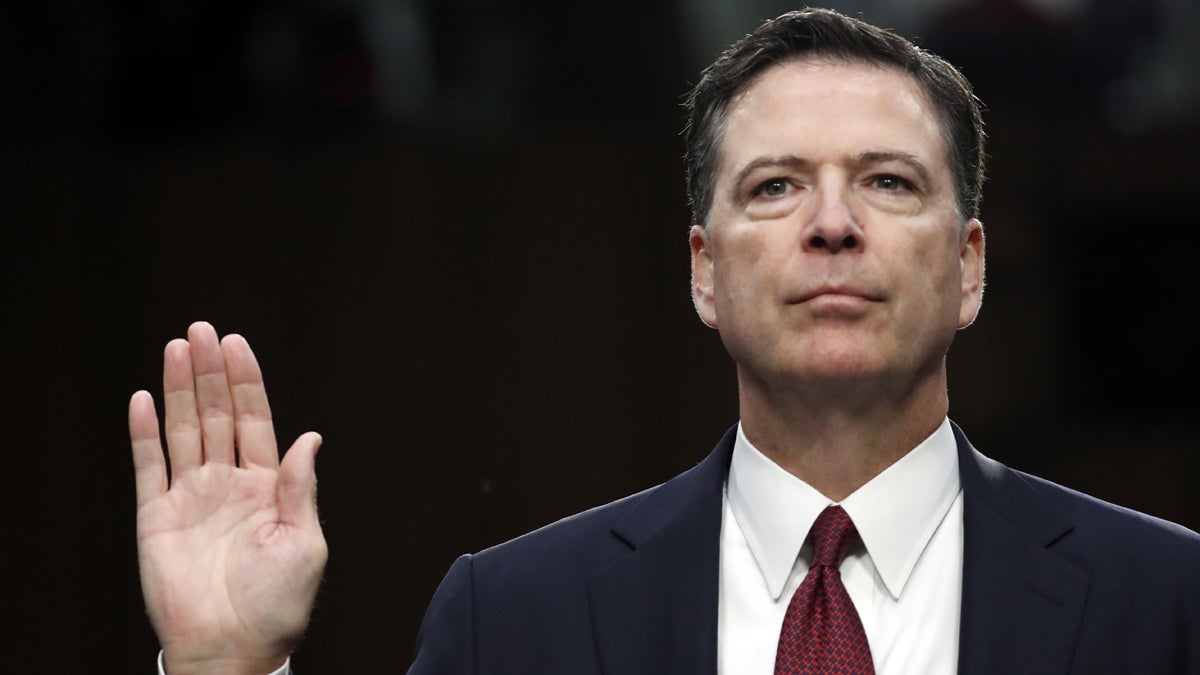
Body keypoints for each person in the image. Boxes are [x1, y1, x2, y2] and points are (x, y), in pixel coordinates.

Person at [130, 8, 1200, 675]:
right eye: (776, 187)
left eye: (887, 182)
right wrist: (225, 667)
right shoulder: (513, 621)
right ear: (704, 271)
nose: (833, 224)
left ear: (968, 264)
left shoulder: (1168, 603)